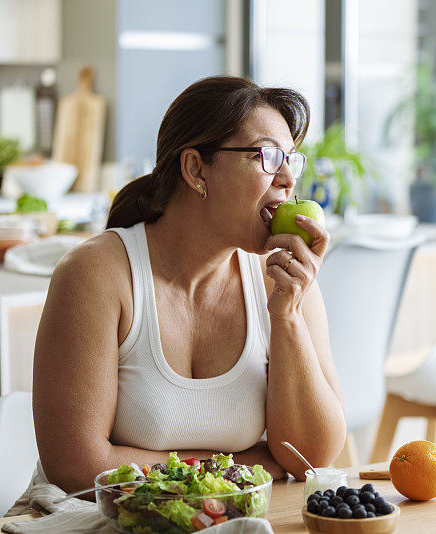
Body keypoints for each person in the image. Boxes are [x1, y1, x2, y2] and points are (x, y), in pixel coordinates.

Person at [25, 76, 347, 500]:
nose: (288, 178)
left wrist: (286, 315)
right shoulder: (96, 273)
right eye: (267, 156)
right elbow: (77, 467)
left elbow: (309, 457)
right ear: (196, 169)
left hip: (221, 523)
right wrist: (248, 464)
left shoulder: (283, 278)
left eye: (291, 158)